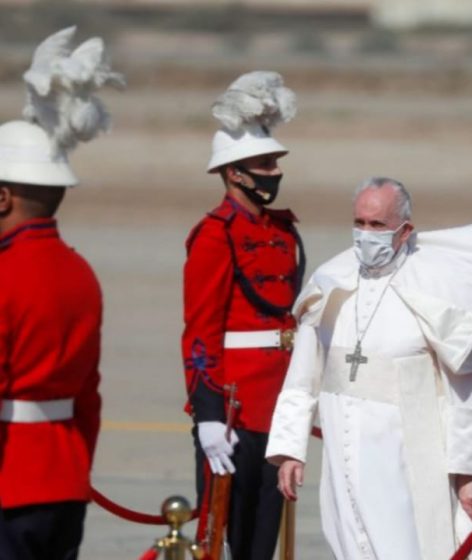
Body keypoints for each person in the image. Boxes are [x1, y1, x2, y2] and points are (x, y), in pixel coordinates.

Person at [266, 178, 472, 559]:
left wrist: (468, 471)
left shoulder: (435, 286)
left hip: (414, 458)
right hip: (345, 455)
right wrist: (290, 449)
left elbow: (468, 389)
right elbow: (302, 377)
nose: (366, 234)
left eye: (377, 225)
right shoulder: (330, 280)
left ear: (404, 231)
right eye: (359, 223)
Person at [0, 27, 123, 560]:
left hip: (9, 483)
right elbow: (88, 394)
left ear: (3, 198)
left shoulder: (6, 272)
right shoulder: (79, 272)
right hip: (65, 481)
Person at [181, 71, 304, 559]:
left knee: (261, 540)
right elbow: (200, 332)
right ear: (234, 172)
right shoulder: (215, 235)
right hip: (233, 405)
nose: (274, 171)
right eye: (264, 163)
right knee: (220, 536)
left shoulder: (282, 231)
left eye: (274, 162)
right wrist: (209, 414)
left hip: (277, 404)